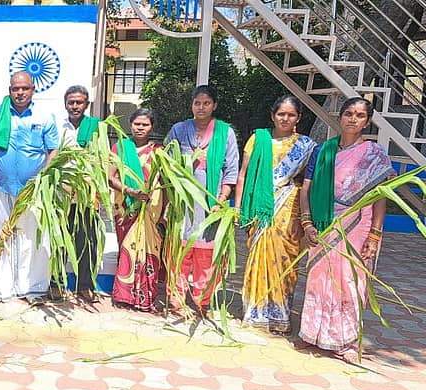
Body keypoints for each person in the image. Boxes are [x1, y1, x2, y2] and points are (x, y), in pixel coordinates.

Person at [298, 97, 394, 363]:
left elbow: (379, 197)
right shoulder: (323, 151)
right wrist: (307, 222)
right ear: (340, 117)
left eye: (360, 115)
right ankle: (312, 333)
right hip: (323, 221)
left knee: (350, 280)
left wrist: (374, 235)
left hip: (357, 223)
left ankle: (345, 341)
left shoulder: (374, 155)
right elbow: (306, 189)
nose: (353, 119)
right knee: (319, 277)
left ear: (367, 121)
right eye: (349, 113)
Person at [235, 95, 316, 335]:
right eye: (281, 114)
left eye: (291, 115)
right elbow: (243, 175)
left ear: (298, 118)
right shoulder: (258, 140)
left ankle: (280, 315)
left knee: (284, 261)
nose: (285, 118)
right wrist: (239, 207)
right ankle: (255, 312)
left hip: (289, 209)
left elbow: (308, 182)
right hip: (261, 208)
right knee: (258, 257)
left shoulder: (305, 145)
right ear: (273, 115)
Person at [163, 85, 239, 315]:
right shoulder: (179, 129)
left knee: (206, 253)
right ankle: (176, 300)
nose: (201, 107)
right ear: (191, 105)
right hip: (183, 201)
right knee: (180, 249)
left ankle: (202, 301)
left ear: (214, 105)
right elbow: (166, 164)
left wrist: (222, 198)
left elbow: (231, 169)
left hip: (211, 202)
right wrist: (169, 201)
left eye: (206, 103)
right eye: (197, 103)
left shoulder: (225, 133)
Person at [0, 71, 59, 305]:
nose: (20, 93)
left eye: (25, 88)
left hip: (33, 190)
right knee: (3, 234)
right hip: (1, 185)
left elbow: (53, 150)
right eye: (16, 89)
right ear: (10, 90)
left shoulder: (45, 116)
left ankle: (34, 288)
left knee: (32, 238)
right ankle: (3, 287)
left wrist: (42, 179)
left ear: (33, 90)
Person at [109, 109, 164, 312]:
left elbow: (165, 182)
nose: (140, 128)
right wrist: (131, 190)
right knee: (127, 250)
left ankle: (144, 298)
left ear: (152, 127)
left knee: (148, 251)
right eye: (137, 124)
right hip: (126, 208)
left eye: (145, 124)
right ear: (130, 125)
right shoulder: (120, 148)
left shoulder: (159, 151)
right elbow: (110, 176)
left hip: (150, 209)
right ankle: (124, 296)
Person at [58, 85, 103, 303]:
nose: (75, 106)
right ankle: (56, 284)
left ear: (87, 104)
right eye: (71, 102)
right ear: (65, 103)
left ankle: (85, 286)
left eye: (80, 102)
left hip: (86, 192)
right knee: (59, 240)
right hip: (62, 192)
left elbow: (103, 160)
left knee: (86, 241)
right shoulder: (58, 127)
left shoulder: (96, 127)